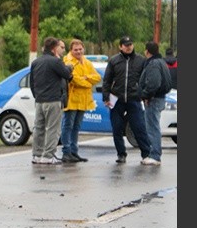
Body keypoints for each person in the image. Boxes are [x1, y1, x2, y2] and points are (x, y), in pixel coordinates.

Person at [102, 36, 151, 164]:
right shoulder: (114, 61)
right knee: (117, 127)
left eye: (130, 44)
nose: (128, 47)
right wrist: (106, 97)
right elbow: (107, 80)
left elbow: (146, 79)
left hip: (134, 98)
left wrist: (145, 95)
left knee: (139, 127)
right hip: (117, 99)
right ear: (120, 47)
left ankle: (146, 154)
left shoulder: (141, 60)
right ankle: (121, 154)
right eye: (125, 45)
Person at [29, 37, 72, 165]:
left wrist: (37, 96)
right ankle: (48, 155)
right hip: (53, 100)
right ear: (54, 48)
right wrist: (69, 68)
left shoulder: (36, 62)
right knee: (53, 129)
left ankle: (36, 154)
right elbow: (67, 75)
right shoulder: (55, 62)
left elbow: (32, 82)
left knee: (39, 128)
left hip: (40, 100)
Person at [60, 39, 102, 163]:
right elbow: (74, 79)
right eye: (75, 50)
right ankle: (66, 151)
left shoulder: (86, 62)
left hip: (83, 100)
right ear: (71, 50)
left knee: (76, 127)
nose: (78, 52)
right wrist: (88, 83)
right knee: (68, 125)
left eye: (80, 49)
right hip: (72, 99)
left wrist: (87, 77)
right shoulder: (68, 61)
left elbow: (97, 77)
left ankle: (74, 151)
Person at [138, 41, 172, 166]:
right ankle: (154, 154)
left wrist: (146, 95)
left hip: (153, 99)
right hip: (159, 98)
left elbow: (154, 83)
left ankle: (155, 155)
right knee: (153, 126)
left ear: (147, 51)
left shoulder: (153, 64)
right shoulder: (161, 62)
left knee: (152, 128)